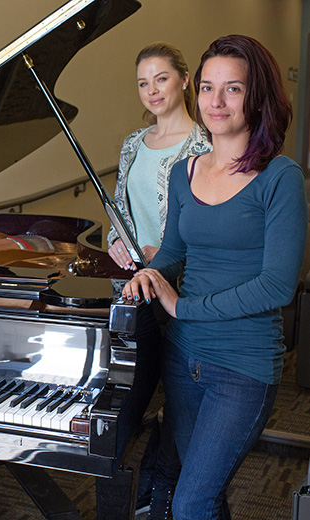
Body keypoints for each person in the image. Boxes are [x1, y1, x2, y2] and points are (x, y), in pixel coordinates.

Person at [122, 35, 307, 519]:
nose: (216, 102)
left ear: (257, 96)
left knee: (190, 503)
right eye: (207, 88)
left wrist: (184, 307)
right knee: (204, 495)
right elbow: (174, 253)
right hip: (184, 360)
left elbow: (278, 285)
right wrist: (148, 274)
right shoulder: (183, 172)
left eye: (233, 89)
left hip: (242, 367)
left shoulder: (281, 177)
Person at [104, 42, 211, 519]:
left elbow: (209, 224)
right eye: (143, 82)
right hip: (133, 289)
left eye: (161, 79)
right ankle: (140, 490)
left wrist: (164, 255)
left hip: (182, 292)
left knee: (184, 403)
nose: (151, 90)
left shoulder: (205, 144)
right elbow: (118, 210)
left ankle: (163, 491)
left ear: (185, 80)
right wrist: (115, 242)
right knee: (130, 399)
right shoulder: (132, 142)